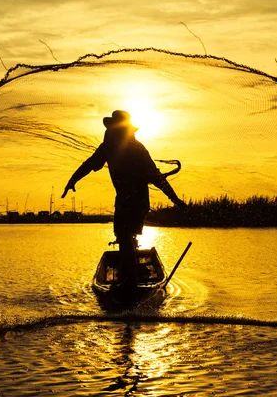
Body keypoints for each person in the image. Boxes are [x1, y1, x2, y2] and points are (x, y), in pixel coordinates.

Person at [61, 110, 186, 286]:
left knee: (124, 236)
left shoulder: (137, 149)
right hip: (124, 200)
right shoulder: (108, 147)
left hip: (138, 200)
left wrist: (175, 199)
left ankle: (129, 280)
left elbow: (157, 177)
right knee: (125, 237)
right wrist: (73, 180)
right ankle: (130, 274)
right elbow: (89, 164)